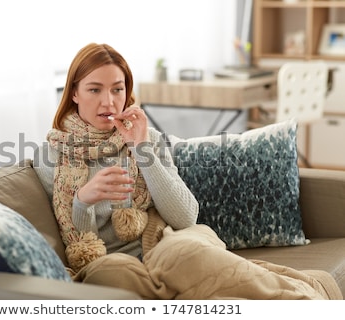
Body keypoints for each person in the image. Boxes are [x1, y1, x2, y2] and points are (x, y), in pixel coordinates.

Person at [34, 43, 341, 300]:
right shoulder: (51, 157)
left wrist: (143, 152)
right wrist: (83, 201)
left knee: (184, 257)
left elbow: (186, 217)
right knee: (112, 275)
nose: (109, 102)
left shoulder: (147, 138)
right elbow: (79, 247)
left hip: (165, 242)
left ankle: (305, 303)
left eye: (117, 89)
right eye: (94, 89)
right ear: (73, 93)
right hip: (110, 263)